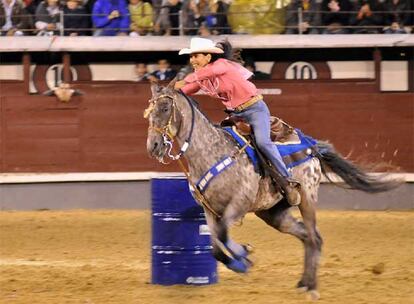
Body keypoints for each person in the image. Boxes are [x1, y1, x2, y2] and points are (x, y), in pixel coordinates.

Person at [174, 37, 301, 206]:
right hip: (236, 115)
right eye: (191, 57)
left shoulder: (221, 66)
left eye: (196, 56)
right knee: (221, 141)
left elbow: (199, 76)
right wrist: (170, 93)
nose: (192, 60)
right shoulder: (202, 78)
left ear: (208, 57)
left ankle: (287, 180)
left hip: (255, 110)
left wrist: (184, 80)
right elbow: (185, 91)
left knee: (263, 143)